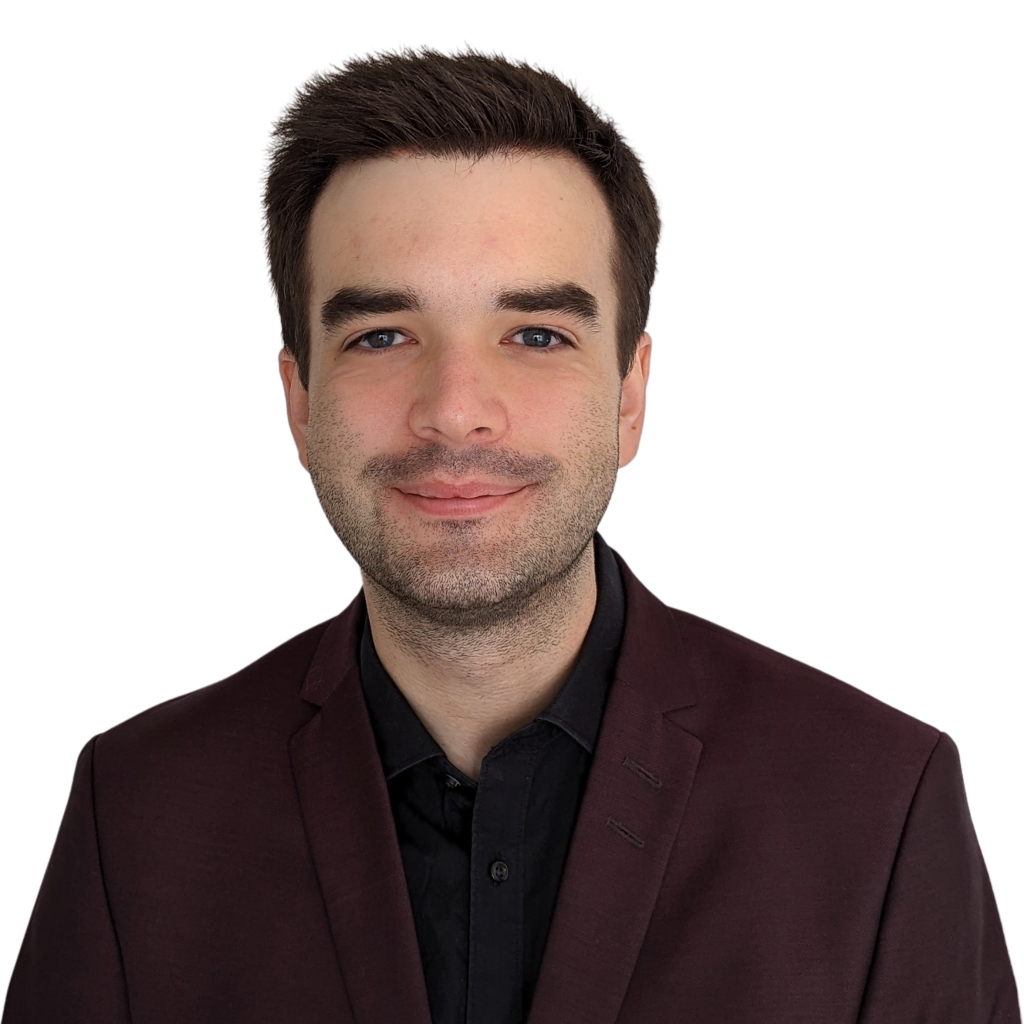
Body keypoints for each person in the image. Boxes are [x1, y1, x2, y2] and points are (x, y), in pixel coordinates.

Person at [4, 43, 1019, 1024]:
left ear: (631, 397)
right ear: (298, 404)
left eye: (536, 334)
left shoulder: (882, 800)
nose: (455, 410)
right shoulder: (133, 811)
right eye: (381, 335)